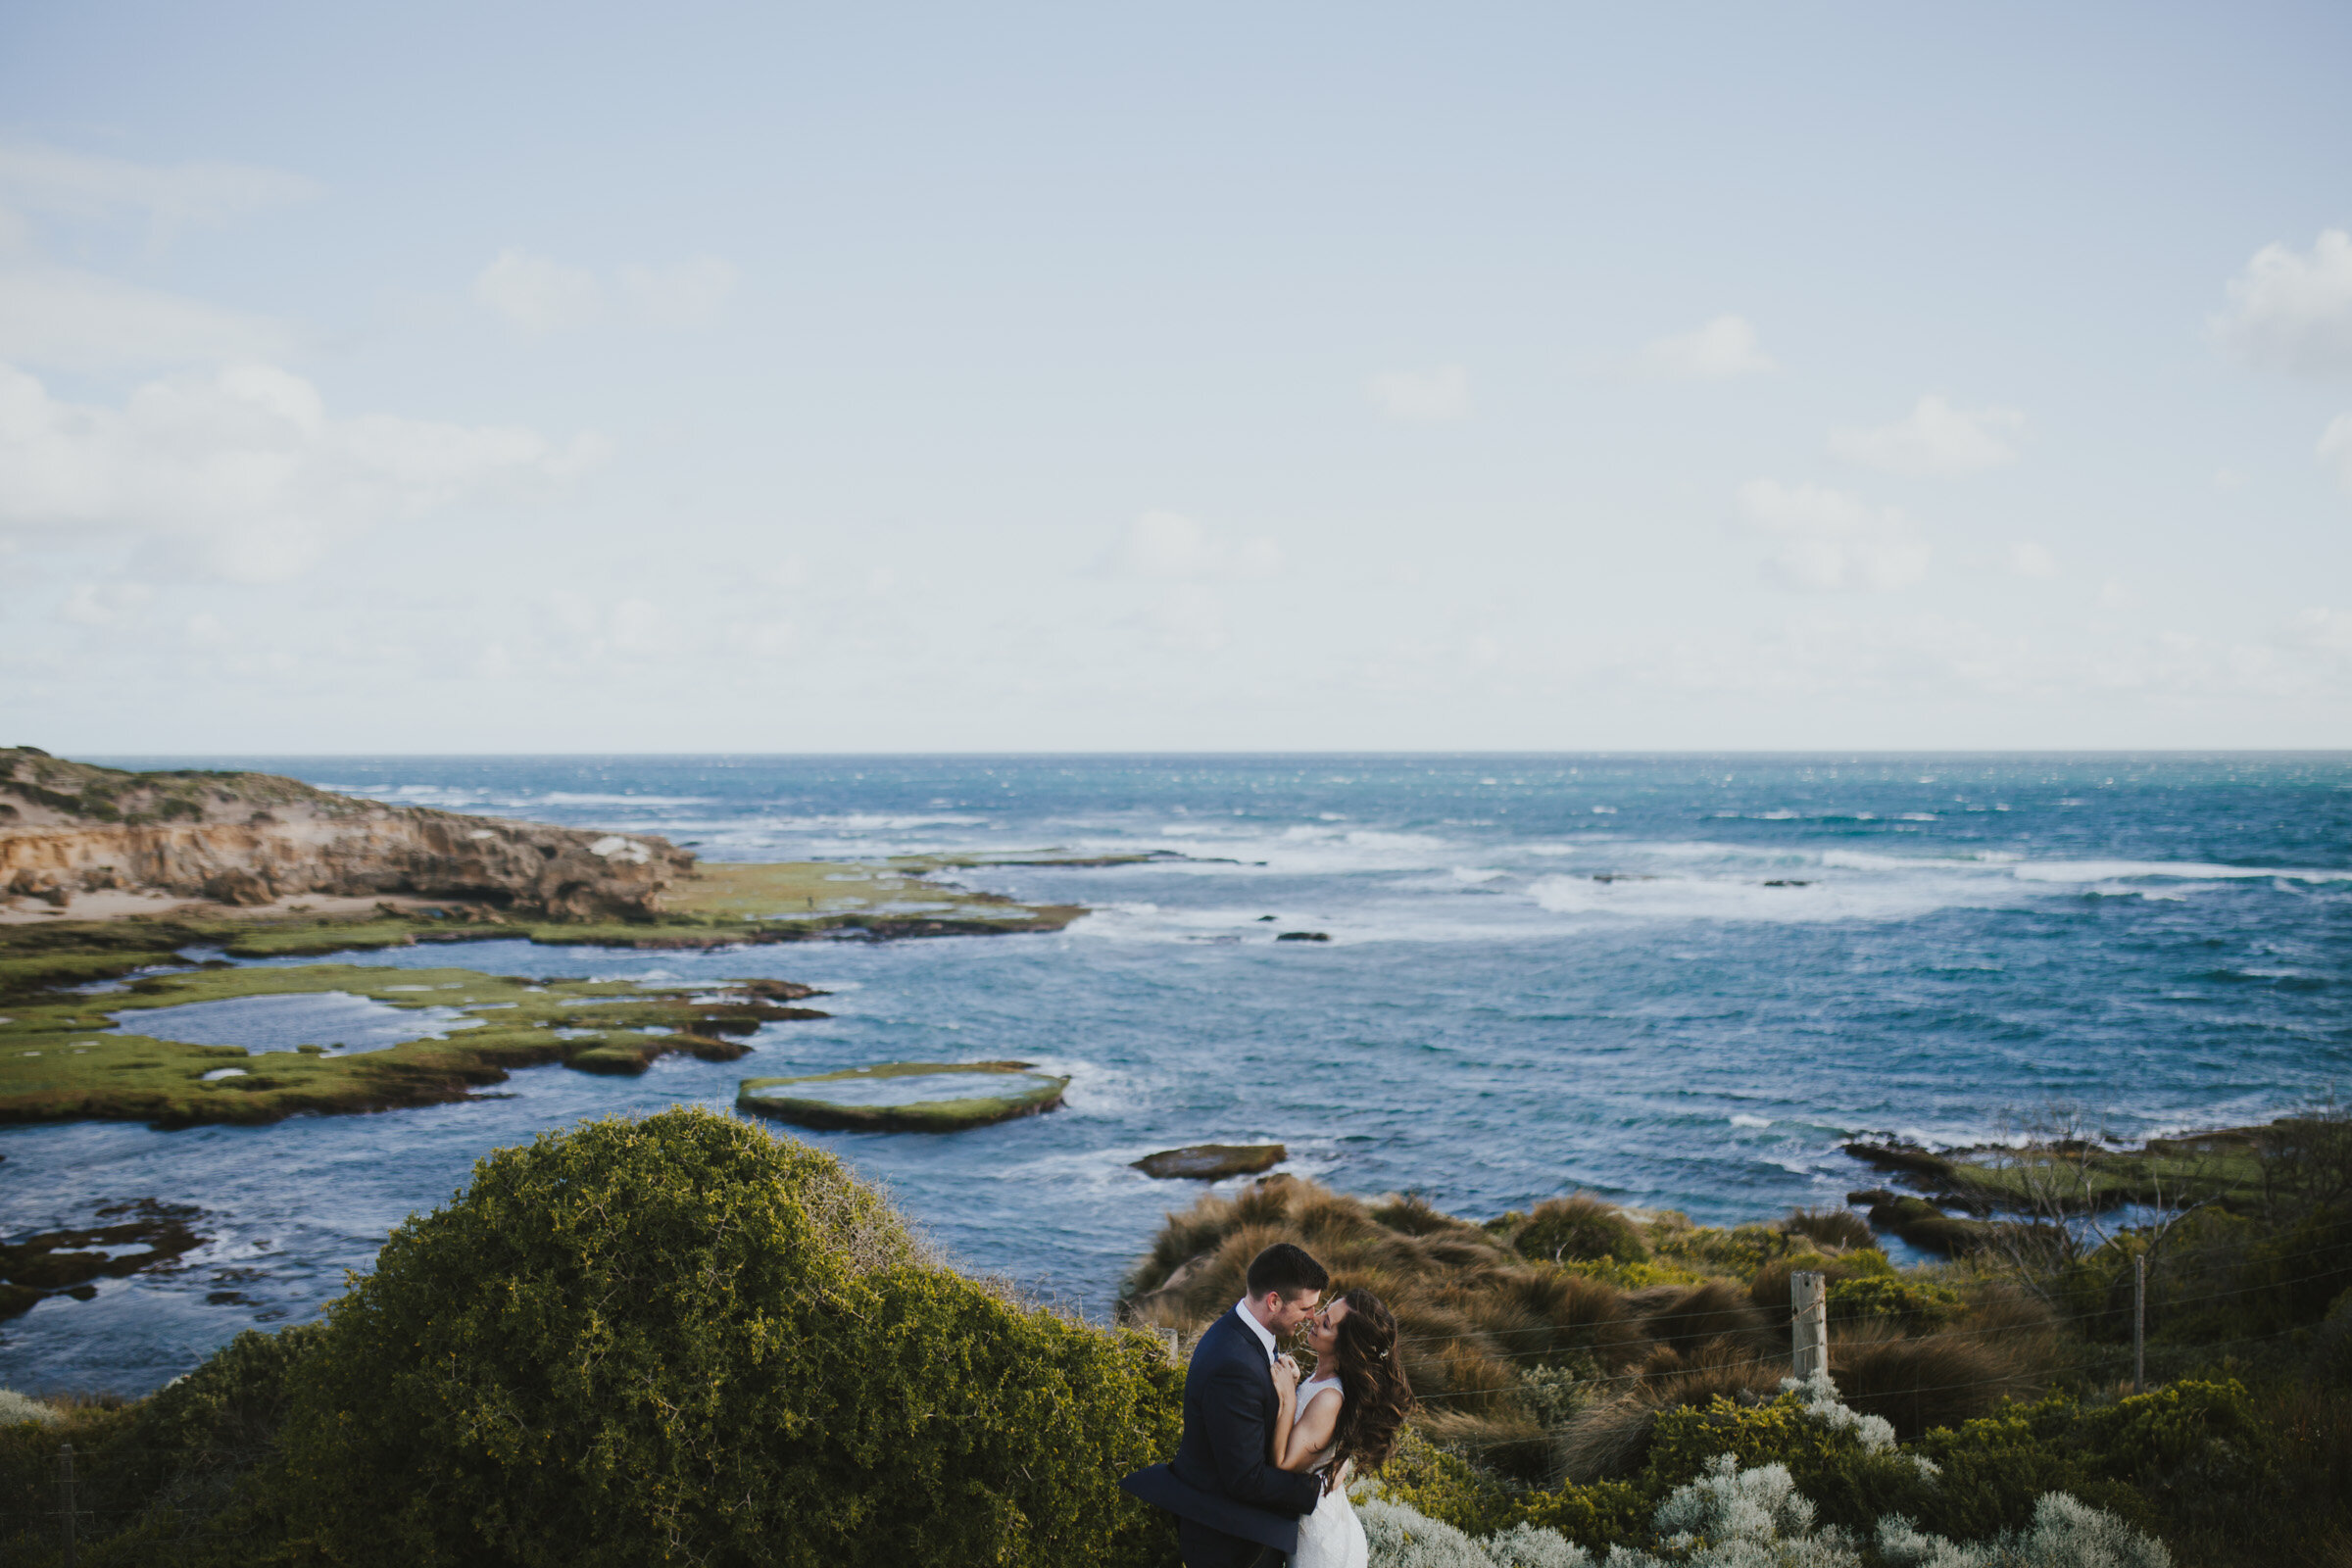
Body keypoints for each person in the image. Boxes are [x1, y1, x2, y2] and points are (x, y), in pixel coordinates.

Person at [1120, 1243, 1331, 1566]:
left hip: (1239, 1529)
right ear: (1274, 1301)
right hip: (1231, 1541)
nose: (1312, 1317)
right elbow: (1246, 1479)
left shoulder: (1244, 1332)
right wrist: (1319, 1487)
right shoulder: (1234, 1367)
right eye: (1305, 1308)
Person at [1268, 1289, 1412, 1568]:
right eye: (1325, 1310)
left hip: (1320, 1547)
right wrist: (1296, 1385)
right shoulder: (1319, 1380)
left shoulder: (1331, 1398)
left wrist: (1287, 1396)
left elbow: (1283, 1463)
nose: (1315, 1317)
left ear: (1345, 1347)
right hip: (1323, 1524)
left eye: (1326, 1323)